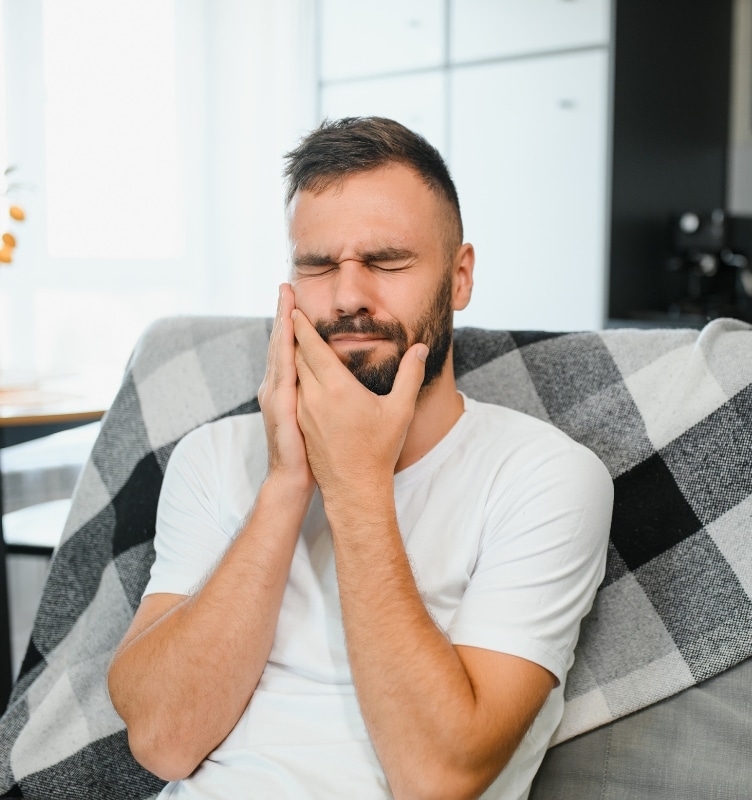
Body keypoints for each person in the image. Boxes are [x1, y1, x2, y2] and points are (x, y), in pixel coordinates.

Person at [108, 117, 613, 800]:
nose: (348, 297)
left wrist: (355, 484)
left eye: (387, 262)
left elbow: (437, 778)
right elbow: (163, 741)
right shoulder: (214, 457)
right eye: (318, 266)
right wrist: (288, 482)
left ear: (459, 277)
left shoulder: (546, 478)